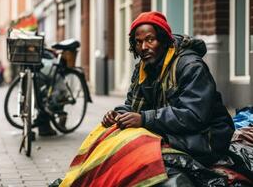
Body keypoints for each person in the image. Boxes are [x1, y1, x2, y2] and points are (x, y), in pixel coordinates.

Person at [56, 11, 235, 187]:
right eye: (138, 42)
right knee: (110, 134)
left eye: (150, 39)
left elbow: (193, 115)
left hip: (205, 138)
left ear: (164, 40)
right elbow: (133, 105)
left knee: (138, 149)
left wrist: (144, 119)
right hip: (174, 132)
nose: (143, 47)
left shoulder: (190, 66)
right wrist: (118, 115)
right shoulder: (144, 67)